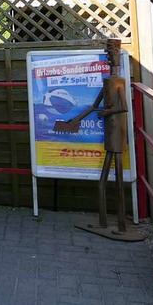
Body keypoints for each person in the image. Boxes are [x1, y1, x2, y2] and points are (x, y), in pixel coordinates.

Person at [56, 39, 128, 232]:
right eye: (108, 55)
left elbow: (123, 107)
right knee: (102, 181)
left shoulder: (118, 82)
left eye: (111, 54)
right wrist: (74, 120)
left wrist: (107, 112)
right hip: (109, 132)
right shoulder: (107, 82)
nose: (109, 58)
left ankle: (122, 226)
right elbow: (94, 106)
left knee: (119, 179)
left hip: (117, 133)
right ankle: (103, 222)